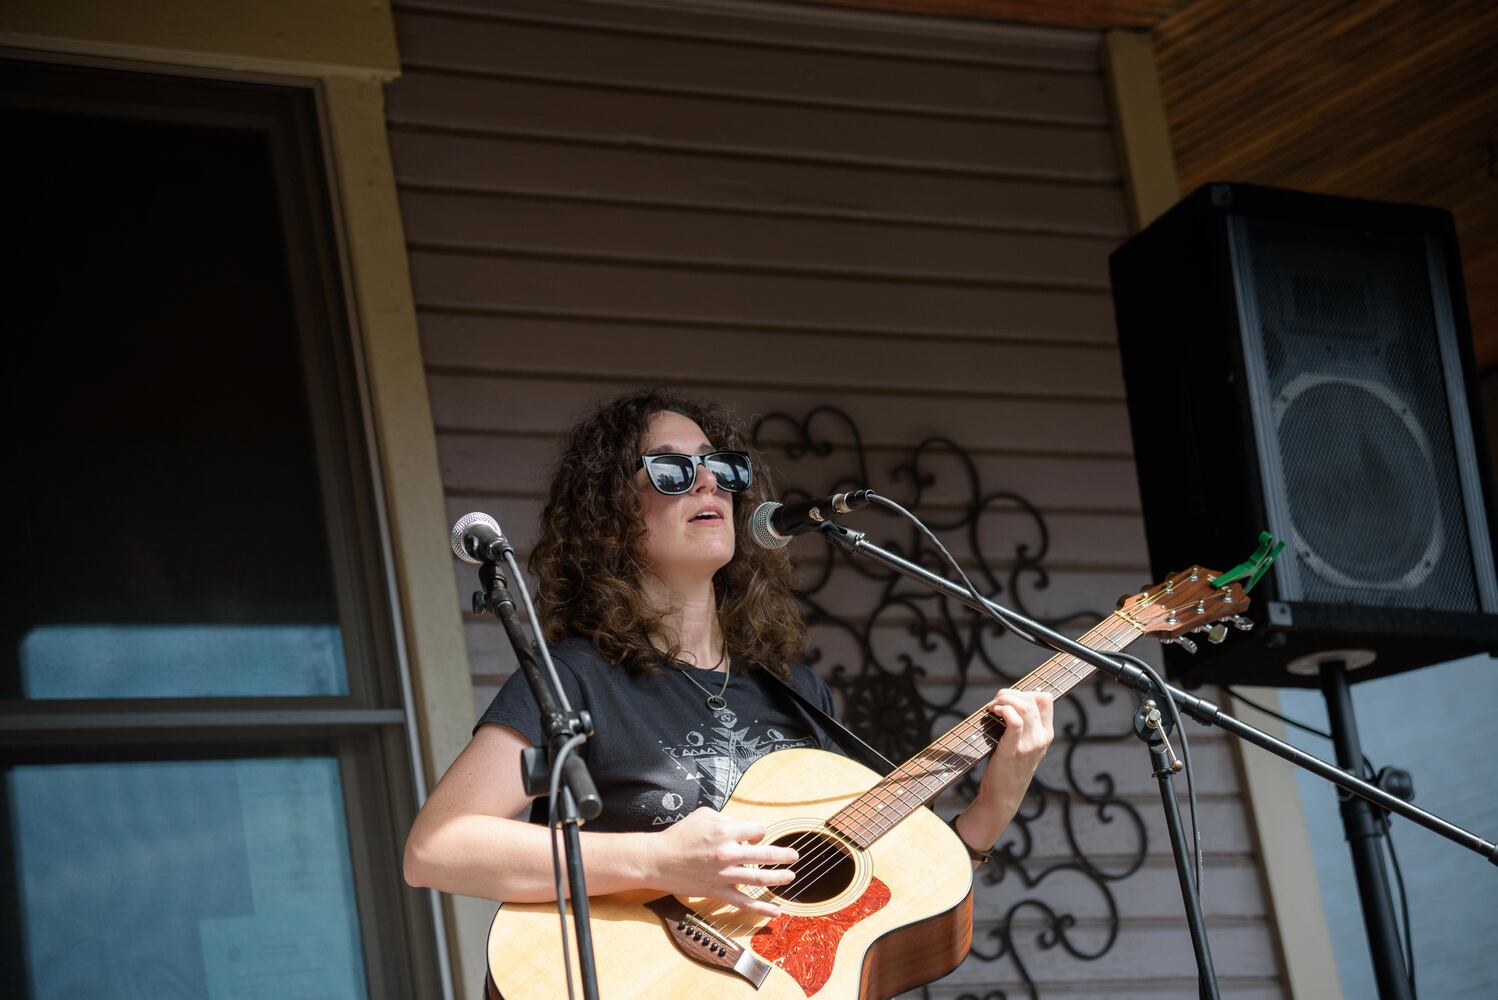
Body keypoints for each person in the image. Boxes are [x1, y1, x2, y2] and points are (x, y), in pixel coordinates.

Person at [403, 389, 1055, 920]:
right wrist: (660, 862)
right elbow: (437, 847)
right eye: (672, 470)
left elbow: (878, 906)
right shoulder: (576, 680)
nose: (708, 482)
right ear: (610, 513)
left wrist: (991, 809)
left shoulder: (795, 691)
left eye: (722, 468)